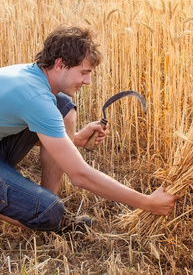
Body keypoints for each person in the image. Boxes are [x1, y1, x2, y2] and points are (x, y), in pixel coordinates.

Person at [0, 25, 178, 233]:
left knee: (63, 106)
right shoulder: (36, 98)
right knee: (49, 212)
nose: (88, 81)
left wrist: (73, 139)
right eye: (84, 72)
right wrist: (147, 202)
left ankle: (44, 198)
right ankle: (46, 212)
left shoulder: (31, 76)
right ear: (60, 64)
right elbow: (80, 175)